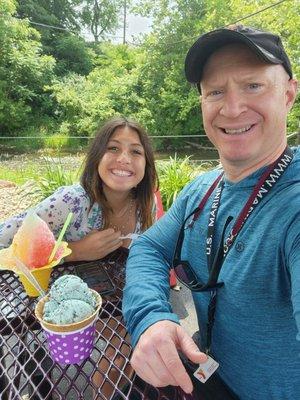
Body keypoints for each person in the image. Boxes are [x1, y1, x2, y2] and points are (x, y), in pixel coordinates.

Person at [123, 25, 299, 399]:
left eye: (253, 85)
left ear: (289, 93)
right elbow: (148, 249)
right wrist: (150, 318)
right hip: (204, 370)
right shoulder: (201, 189)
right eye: (215, 91)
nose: (232, 108)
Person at [0, 116, 158, 259]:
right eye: (113, 148)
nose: (124, 159)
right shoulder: (70, 201)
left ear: (147, 164)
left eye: (136, 151)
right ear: (97, 158)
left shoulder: (147, 204)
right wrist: (75, 251)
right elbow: (4, 241)